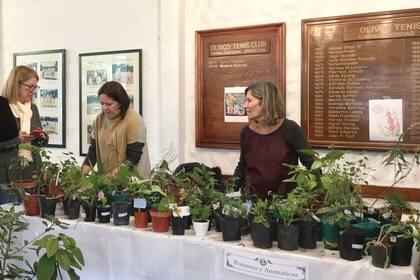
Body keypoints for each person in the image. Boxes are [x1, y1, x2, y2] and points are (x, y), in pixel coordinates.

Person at [233, 81, 314, 199]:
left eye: (249, 100)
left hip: (285, 207)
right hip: (252, 204)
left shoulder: (290, 129)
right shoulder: (246, 132)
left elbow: (312, 164)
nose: (245, 106)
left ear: (265, 101)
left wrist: (315, 196)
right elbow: (242, 165)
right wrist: (228, 191)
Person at [82, 81, 151, 178]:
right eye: (102, 103)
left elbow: (133, 158)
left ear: (120, 102)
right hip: (107, 180)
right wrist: (82, 176)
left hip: (132, 181)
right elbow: (93, 150)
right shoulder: (99, 120)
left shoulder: (134, 120)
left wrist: (110, 178)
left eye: (109, 104)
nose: (104, 108)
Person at [0, 66, 48, 203]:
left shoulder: (32, 108)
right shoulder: (3, 108)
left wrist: (42, 137)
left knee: (32, 221)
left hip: (31, 172)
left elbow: (37, 143)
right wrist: (17, 140)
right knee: (10, 220)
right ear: (16, 84)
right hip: (7, 176)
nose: (33, 92)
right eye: (29, 87)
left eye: (35, 87)